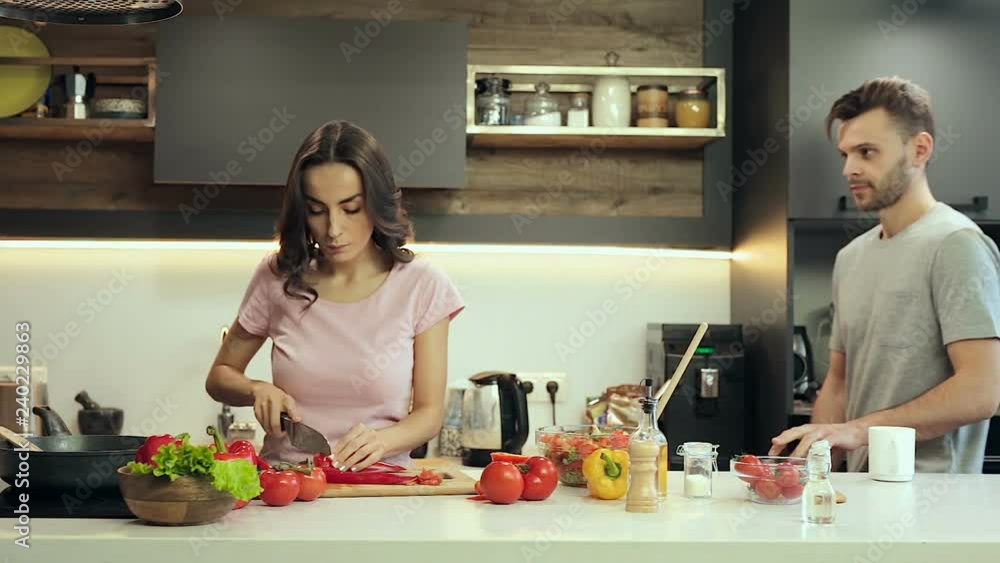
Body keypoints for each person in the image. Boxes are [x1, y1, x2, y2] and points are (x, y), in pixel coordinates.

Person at [769, 77, 1000, 473]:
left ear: (920, 149)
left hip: (932, 501)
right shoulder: (850, 258)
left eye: (867, 152)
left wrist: (859, 431)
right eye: (845, 154)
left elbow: (983, 390)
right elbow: (838, 383)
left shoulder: (955, 244)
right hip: (861, 492)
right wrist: (813, 465)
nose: (849, 169)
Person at [205, 120, 465, 471]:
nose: (333, 229)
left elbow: (429, 414)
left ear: (376, 203)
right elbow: (220, 375)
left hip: (380, 492)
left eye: (351, 208)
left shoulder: (422, 284)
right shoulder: (276, 277)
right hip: (287, 489)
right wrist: (255, 389)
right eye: (316, 210)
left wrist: (382, 441)